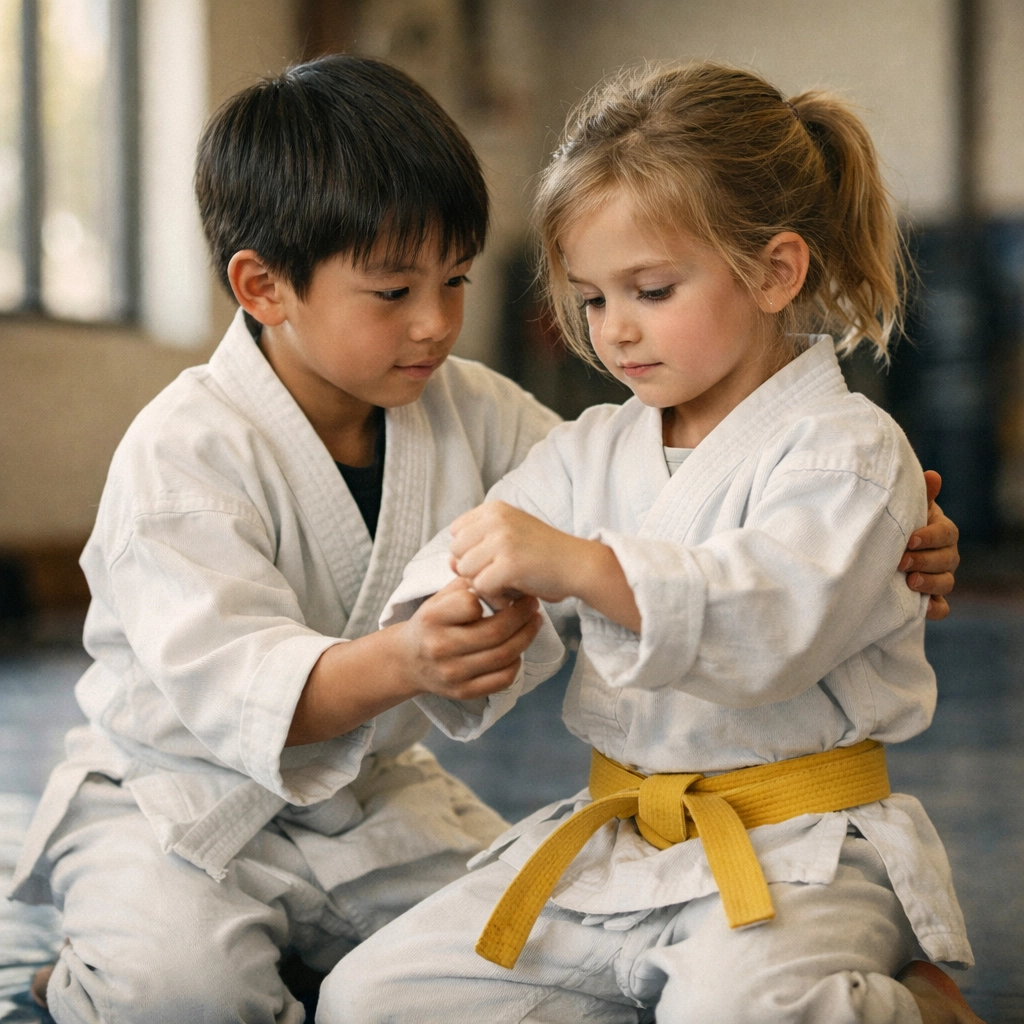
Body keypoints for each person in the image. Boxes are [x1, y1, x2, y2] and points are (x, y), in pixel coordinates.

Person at [12, 56, 957, 1024]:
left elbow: (651, 517)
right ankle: (100, 972)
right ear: (263, 286)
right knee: (191, 998)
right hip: (178, 806)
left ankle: (828, 979)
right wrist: (420, 641)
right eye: (391, 292)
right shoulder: (183, 451)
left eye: (454, 279)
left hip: (374, 800)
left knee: (461, 980)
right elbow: (234, 685)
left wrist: (883, 539)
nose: (434, 325)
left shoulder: (475, 410)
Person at [319, 62, 981, 1024]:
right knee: (371, 1000)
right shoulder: (595, 447)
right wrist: (453, 611)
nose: (616, 330)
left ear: (775, 270)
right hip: (622, 844)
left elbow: (771, 622)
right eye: (591, 299)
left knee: (728, 1012)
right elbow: (490, 536)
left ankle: (909, 1007)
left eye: (652, 289)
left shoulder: (850, 451)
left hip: (800, 852)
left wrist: (582, 565)